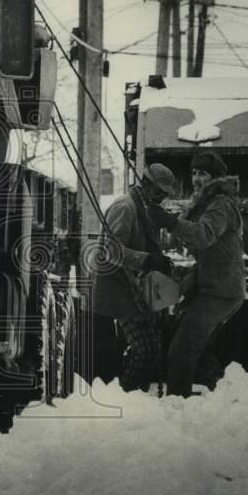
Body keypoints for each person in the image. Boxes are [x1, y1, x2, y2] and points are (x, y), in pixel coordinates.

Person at [148, 150, 246, 397]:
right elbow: (210, 256)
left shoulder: (221, 205)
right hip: (215, 287)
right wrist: (183, 284)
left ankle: (177, 406)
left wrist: (171, 222)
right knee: (195, 350)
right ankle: (224, 402)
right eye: (193, 173)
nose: (196, 178)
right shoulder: (210, 204)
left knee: (181, 351)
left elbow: (203, 236)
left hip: (220, 292)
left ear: (215, 177)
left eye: (202, 173)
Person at [92, 163, 180, 391]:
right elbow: (110, 251)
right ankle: (126, 397)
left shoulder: (141, 207)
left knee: (148, 349)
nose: (162, 199)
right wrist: (148, 260)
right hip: (119, 290)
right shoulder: (126, 207)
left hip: (132, 289)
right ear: (147, 185)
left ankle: (131, 396)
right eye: (160, 192)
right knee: (146, 350)